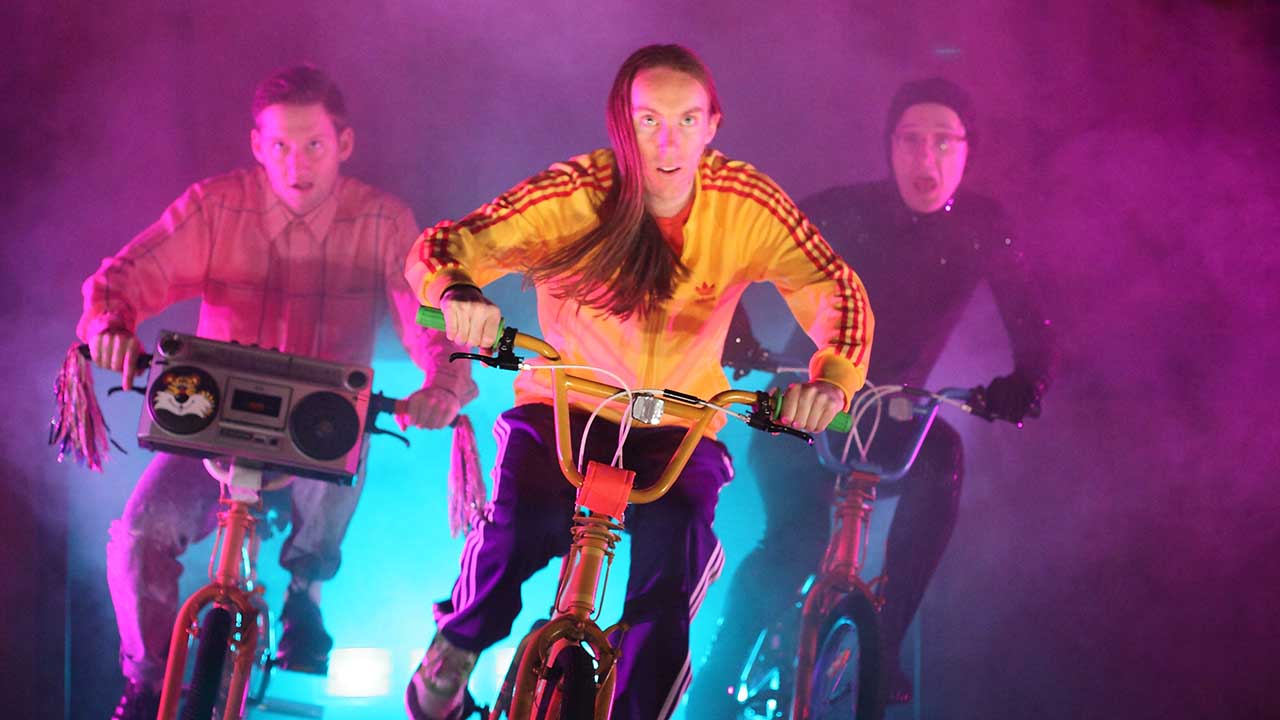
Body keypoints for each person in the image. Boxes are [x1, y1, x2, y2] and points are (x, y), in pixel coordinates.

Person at [401, 44, 873, 720]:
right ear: (622, 125)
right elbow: (448, 244)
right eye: (648, 121)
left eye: (686, 120)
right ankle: (456, 645)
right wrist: (457, 295)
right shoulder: (575, 193)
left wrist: (829, 382)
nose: (668, 142)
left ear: (713, 125)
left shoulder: (746, 203)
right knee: (516, 532)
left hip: (680, 424)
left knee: (673, 575)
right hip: (567, 406)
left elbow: (835, 289)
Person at [79, 65, 477, 720]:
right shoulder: (215, 207)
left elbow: (430, 311)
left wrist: (445, 385)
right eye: (282, 147)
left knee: (344, 438)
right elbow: (126, 277)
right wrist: (110, 326)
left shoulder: (382, 221)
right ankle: (150, 677)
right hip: (212, 425)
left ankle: (305, 593)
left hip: (317, 432)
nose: (297, 164)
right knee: (136, 534)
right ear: (258, 146)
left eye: (314, 145)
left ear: (344, 144)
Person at [692, 77, 1057, 714]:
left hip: (896, 415)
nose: (927, 159)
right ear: (888, 148)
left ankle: (881, 650)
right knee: (795, 540)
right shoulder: (839, 210)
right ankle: (714, 686)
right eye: (911, 141)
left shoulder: (982, 227)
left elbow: (1034, 323)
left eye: (945, 143)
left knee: (942, 465)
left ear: (968, 151)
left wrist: (1027, 381)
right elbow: (732, 254)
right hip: (805, 404)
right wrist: (737, 334)